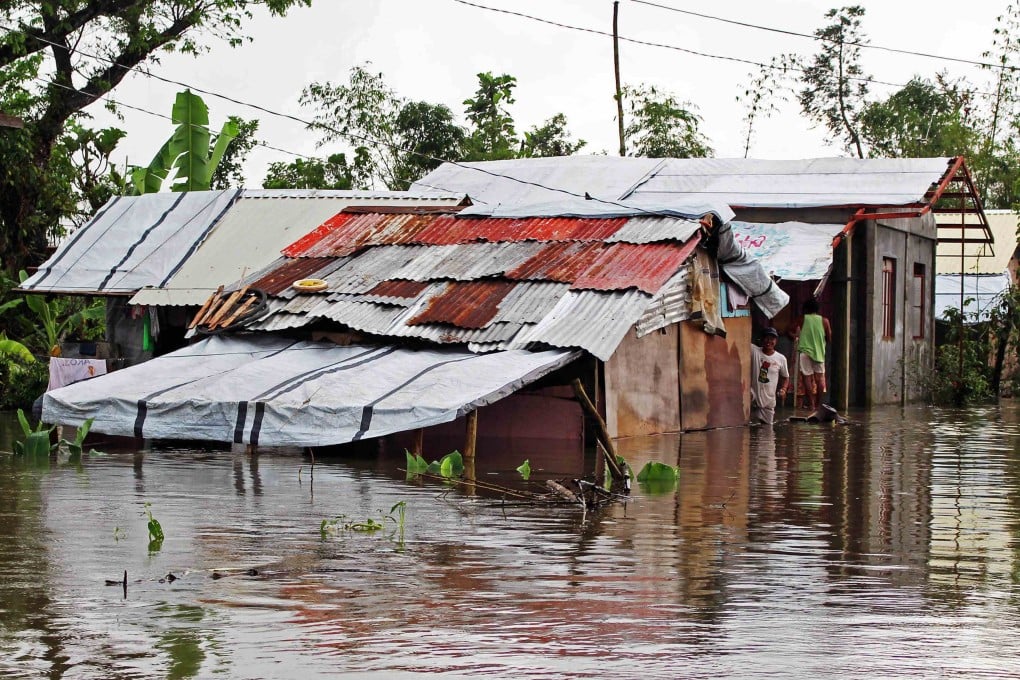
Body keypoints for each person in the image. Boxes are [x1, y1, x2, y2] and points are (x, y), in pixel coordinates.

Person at [791, 298, 832, 412]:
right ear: (817, 309)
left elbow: (789, 329)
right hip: (819, 352)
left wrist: (796, 336)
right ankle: (819, 405)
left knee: (807, 379)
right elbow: (829, 338)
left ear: (805, 309)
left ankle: (811, 405)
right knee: (820, 380)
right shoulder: (825, 321)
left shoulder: (802, 319)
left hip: (805, 351)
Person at [750, 326, 789, 426]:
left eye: (772, 339)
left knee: (767, 432)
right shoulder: (754, 351)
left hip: (769, 402)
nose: (769, 341)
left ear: (776, 341)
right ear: (762, 339)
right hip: (753, 400)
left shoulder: (781, 359)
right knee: (752, 430)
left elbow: (785, 377)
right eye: (766, 338)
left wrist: (784, 389)